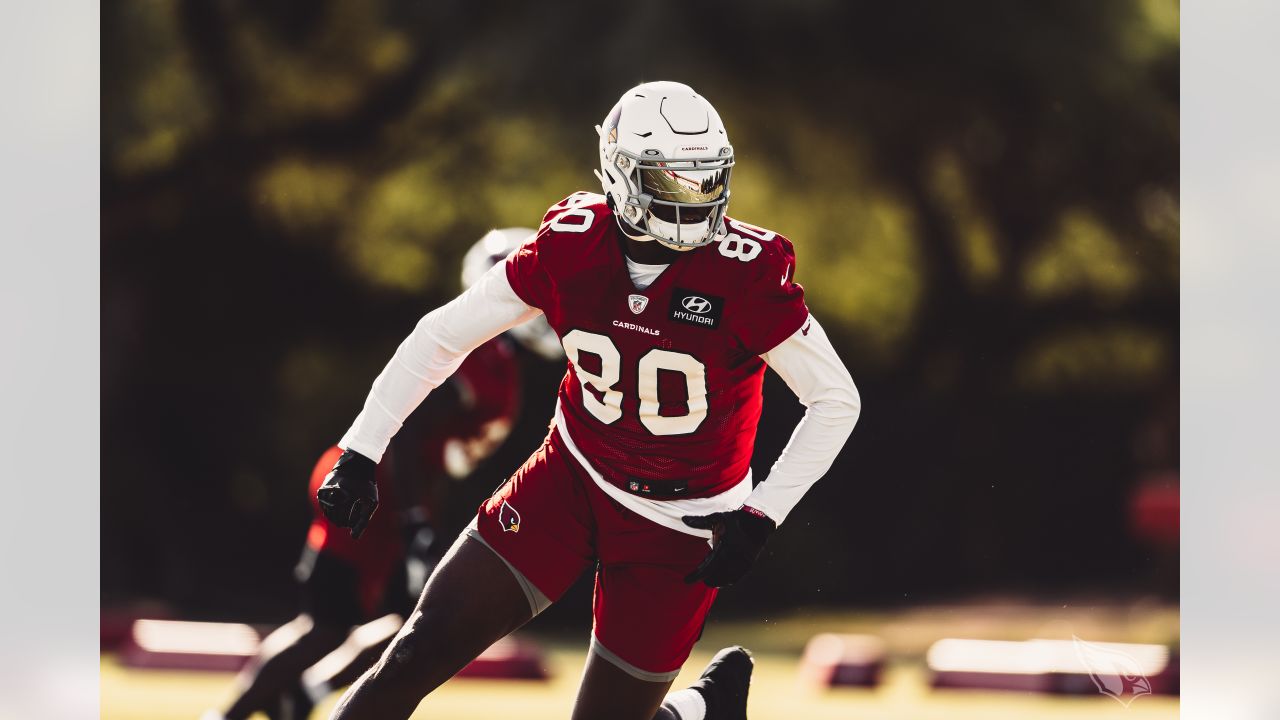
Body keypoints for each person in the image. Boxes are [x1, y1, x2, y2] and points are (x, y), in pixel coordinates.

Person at [317, 81, 862, 720]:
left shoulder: (746, 272)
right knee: (412, 655)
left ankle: (695, 713)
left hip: (683, 519)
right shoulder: (571, 244)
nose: (697, 201)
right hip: (571, 477)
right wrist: (361, 450)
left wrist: (762, 513)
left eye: (708, 181)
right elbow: (442, 336)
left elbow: (834, 399)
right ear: (622, 175)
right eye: (676, 182)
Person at [208, 229, 561, 720]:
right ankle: (230, 716)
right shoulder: (482, 354)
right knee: (327, 626)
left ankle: (302, 698)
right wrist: (415, 520)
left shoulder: (501, 364)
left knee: (406, 622)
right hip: (372, 490)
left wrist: (417, 516)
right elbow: (410, 428)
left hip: (395, 499)